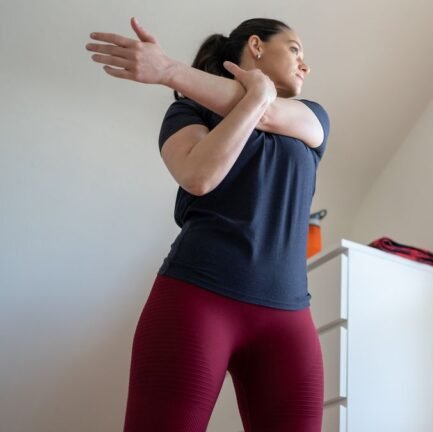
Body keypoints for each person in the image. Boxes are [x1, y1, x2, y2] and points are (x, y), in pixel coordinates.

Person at [86, 17, 329, 432]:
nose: (305, 65)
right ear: (256, 45)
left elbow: (270, 115)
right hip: (196, 301)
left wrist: (170, 70)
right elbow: (199, 177)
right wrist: (255, 98)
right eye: (294, 49)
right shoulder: (187, 110)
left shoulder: (312, 118)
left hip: (289, 319)